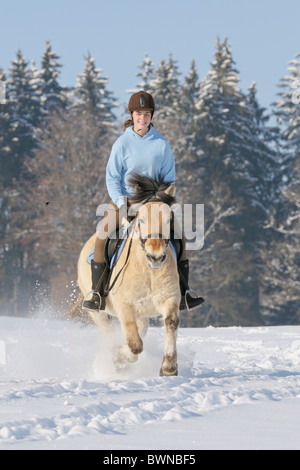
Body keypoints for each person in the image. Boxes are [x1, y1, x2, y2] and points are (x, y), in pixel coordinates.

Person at [83, 90, 204, 311]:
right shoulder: (122, 143)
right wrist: (121, 204)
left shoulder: (162, 144)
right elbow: (112, 177)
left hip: (155, 204)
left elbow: (169, 179)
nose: (143, 118)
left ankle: (185, 291)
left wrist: (159, 203)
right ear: (132, 114)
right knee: (102, 238)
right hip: (125, 201)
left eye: (147, 113)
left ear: (151, 116)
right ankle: (97, 293)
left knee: (180, 240)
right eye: (139, 113)